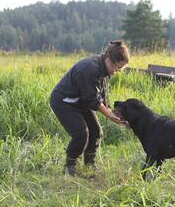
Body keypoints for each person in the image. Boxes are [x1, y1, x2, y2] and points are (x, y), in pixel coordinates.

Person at [50, 40, 130, 176]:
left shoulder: (103, 66)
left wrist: (111, 110)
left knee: (96, 131)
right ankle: (69, 167)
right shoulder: (90, 69)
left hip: (80, 100)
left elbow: (100, 93)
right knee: (81, 134)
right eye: (117, 68)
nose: (116, 72)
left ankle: (90, 164)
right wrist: (110, 116)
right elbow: (92, 99)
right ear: (110, 60)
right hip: (64, 101)